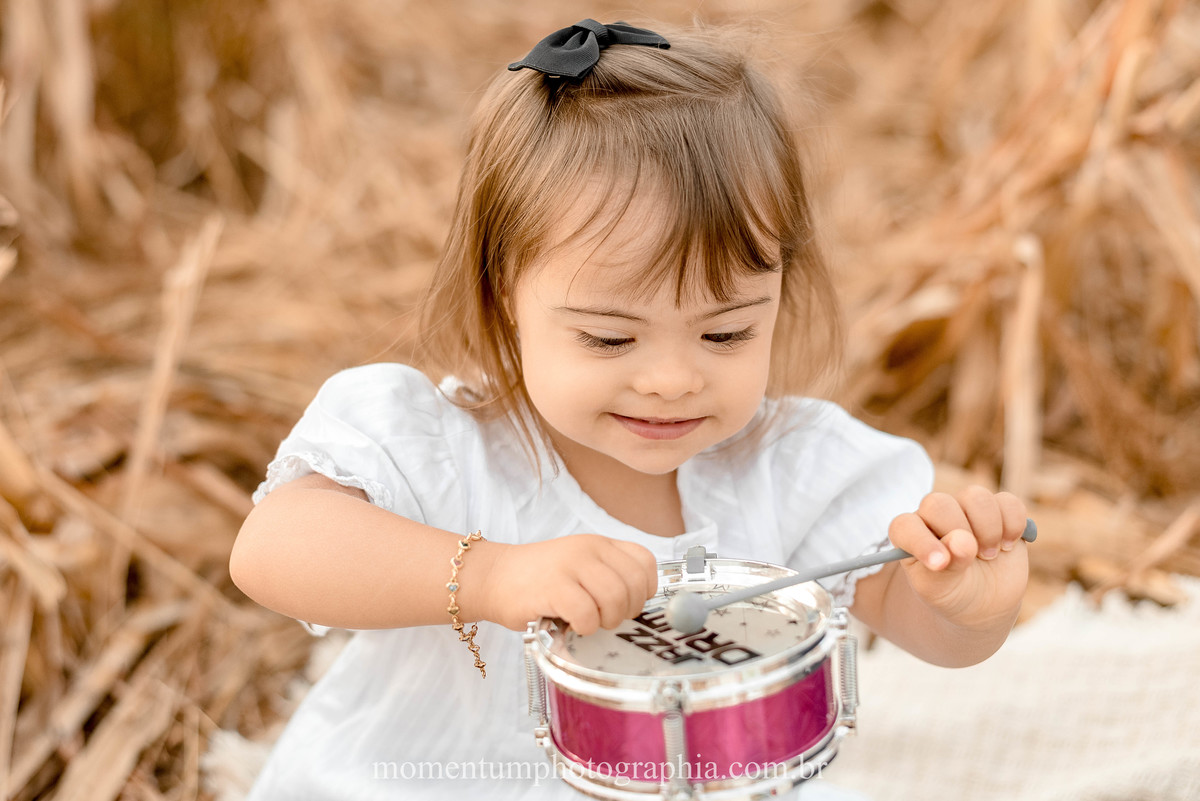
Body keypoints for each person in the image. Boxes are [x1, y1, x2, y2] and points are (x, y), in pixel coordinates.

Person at [229, 19, 1030, 801]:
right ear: (506, 295)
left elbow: (903, 609)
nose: (673, 379)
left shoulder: (786, 465)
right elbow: (274, 547)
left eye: (725, 330)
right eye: (612, 339)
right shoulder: (442, 448)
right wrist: (491, 575)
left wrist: (962, 607)